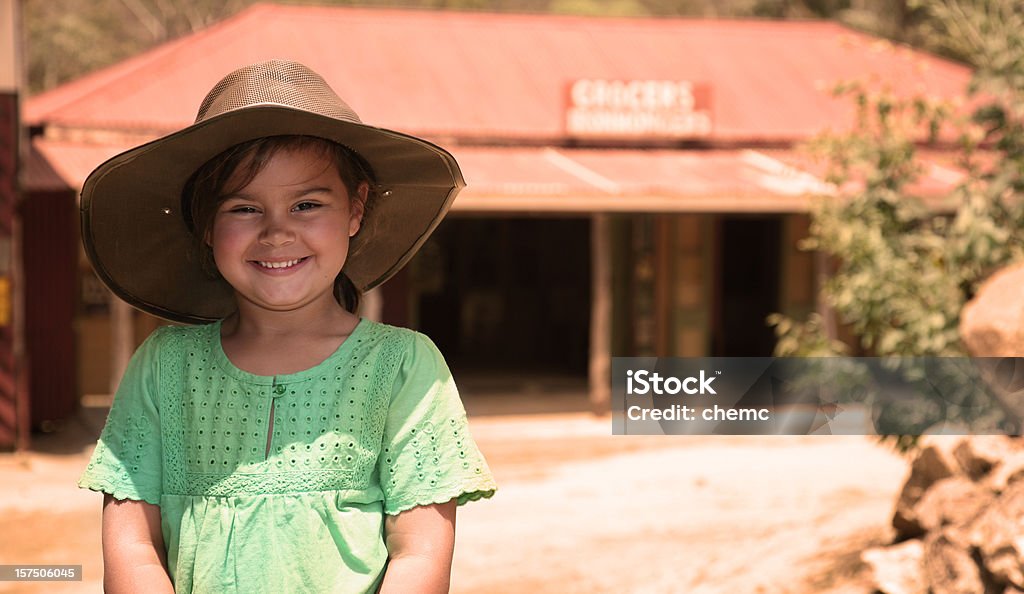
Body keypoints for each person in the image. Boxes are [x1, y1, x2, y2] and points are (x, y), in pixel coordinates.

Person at [77, 60, 497, 594]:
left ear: (356, 209)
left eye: (306, 204)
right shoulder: (164, 366)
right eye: (245, 208)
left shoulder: (402, 366)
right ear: (206, 225)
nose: (277, 233)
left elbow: (420, 551)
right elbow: (133, 547)